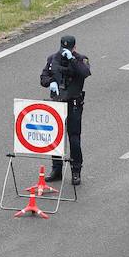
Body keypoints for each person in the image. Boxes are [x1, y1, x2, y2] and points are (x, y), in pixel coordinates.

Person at [39, 34, 91, 186]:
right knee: (55, 137)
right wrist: (51, 83)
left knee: (74, 138)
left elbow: (85, 73)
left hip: (73, 103)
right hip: (57, 103)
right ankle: (56, 169)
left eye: (69, 48)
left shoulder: (81, 59)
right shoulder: (52, 59)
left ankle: (76, 170)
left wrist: (72, 59)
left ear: (74, 47)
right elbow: (43, 77)